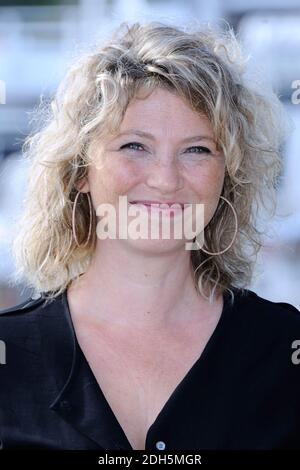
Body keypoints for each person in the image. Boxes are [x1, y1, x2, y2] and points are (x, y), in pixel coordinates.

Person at [0, 20, 299, 451]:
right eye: (134, 146)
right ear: (79, 170)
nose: (164, 179)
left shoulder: (284, 353)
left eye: (197, 149)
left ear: (228, 177)